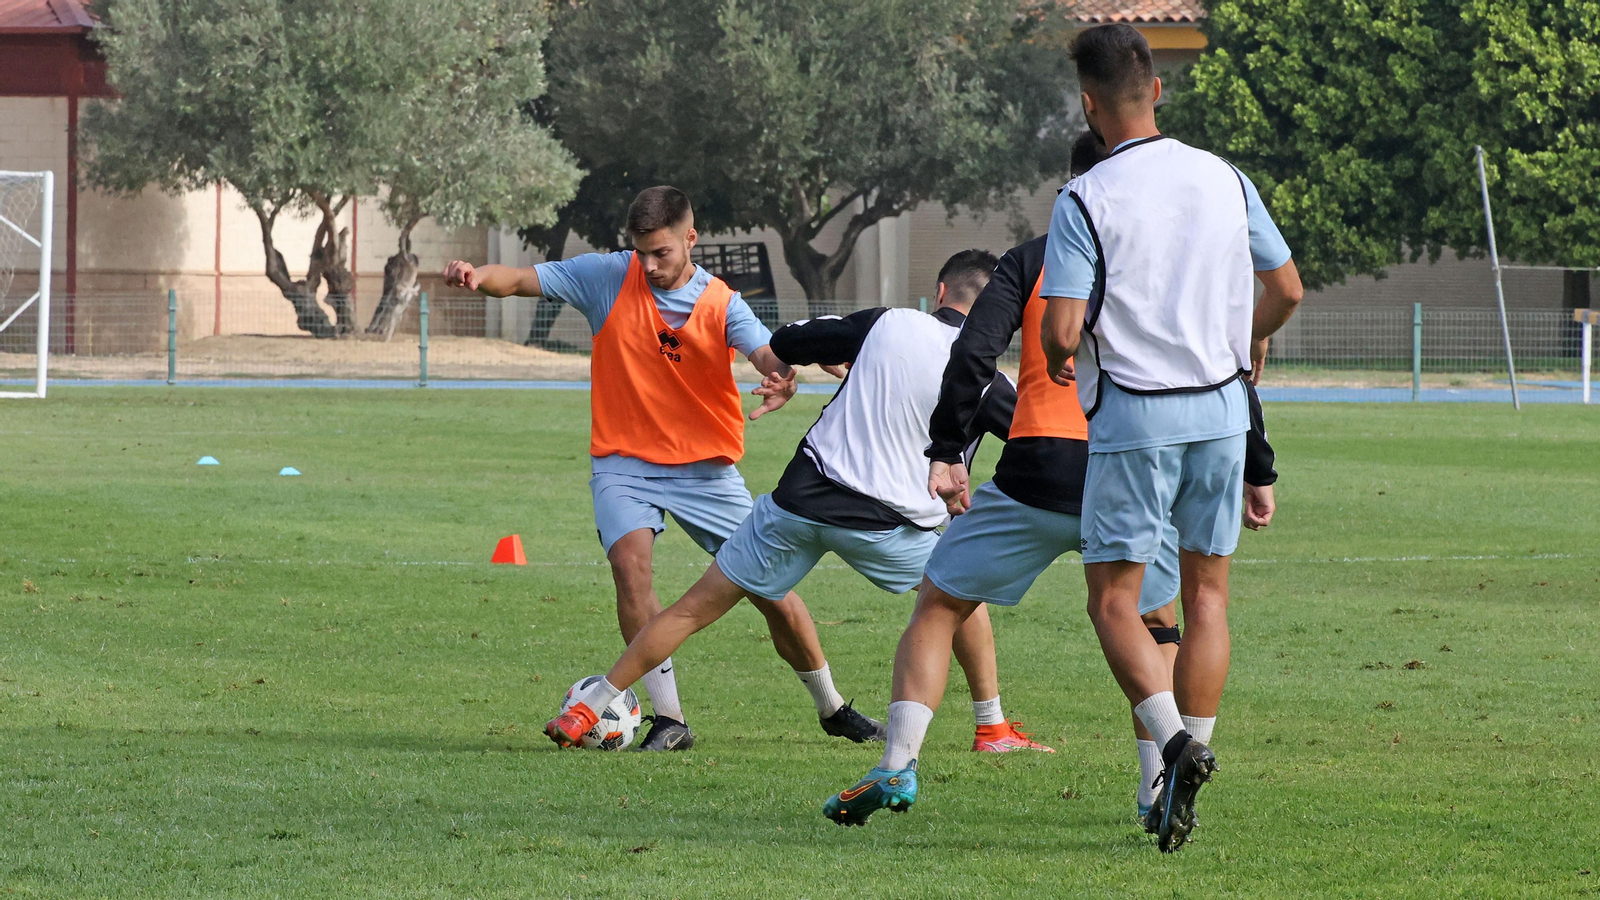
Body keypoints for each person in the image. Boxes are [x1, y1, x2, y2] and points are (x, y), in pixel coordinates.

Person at [819, 149, 1281, 828]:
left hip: (1039, 472)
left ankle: (896, 765)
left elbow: (973, 353)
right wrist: (1258, 462)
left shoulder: (1035, 257)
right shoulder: (1167, 262)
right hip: (1135, 468)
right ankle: (1159, 786)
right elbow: (1225, 366)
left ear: (1076, 186)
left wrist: (947, 449)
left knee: (940, 602)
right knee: (1157, 627)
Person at [547, 250, 1062, 753]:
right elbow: (1030, 444)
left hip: (799, 502)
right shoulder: (992, 381)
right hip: (889, 527)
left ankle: (589, 707)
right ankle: (991, 728)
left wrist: (835, 350)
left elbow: (789, 340)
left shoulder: (886, 323)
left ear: (940, 292)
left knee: (689, 610)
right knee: (956, 597)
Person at [444, 186, 867, 751]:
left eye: (661, 252)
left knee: (773, 592)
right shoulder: (606, 276)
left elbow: (766, 352)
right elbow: (519, 279)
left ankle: (832, 706)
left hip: (707, 473)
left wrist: (782, 372)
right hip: (623, 462)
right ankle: (669, 720)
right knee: (630, 565)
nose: (648, 264)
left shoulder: (722, 302)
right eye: (640, 252)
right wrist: (477, 276)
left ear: (690, 239)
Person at [1038, 25, 1303, 851]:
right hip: (1222, 412)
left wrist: (1058, 353)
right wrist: (1249, 338)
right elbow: (1286, 288)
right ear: (1156, 89)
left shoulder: (1084, 198)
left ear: (1088, 105)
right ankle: (1196, 745)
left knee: (1114, 599)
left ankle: (1176, 748)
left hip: (1137, 416)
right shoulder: (1224, 177)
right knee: (1207, 596)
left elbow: (1062, 331)